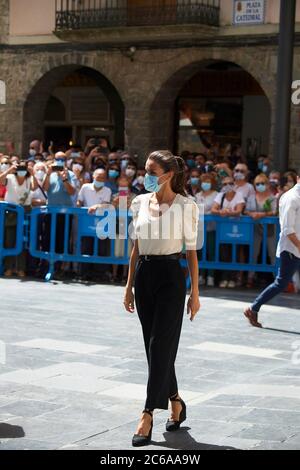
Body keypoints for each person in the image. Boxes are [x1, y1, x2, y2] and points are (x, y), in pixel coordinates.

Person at [123, 150, 200, 447]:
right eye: (145, 171)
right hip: (144, 276)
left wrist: (194, 293)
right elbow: (135, 248)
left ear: (167, 175)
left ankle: (147, 414)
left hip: (171, 275)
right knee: (152, 346)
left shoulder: (187, 206)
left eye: (151, 171)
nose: (146, 177)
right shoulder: (138, 202)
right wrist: (128, 286)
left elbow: (192, 252)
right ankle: (175, 401)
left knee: (160, 344)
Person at [244, 173, 300, 327]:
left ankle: (253, 308)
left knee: (281, 282)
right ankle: (253, 307)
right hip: (291, 248)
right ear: (298, 178)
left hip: (295, 248)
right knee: (281, 283)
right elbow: (288, 229)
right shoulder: (292, 198)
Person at [0, 159, 38, 277]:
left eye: (24, 168)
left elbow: (35, 187)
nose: (21, 170)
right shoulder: (10, 177)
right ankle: (8, 267)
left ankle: (21, 268)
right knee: (9, 240)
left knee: (22, 240)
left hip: (25, 211)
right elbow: (1, 180)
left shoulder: (28, 179)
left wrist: (33, 174)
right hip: (11, 211)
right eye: (19, 168)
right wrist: (10, 169)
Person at [244, 174, 278, 288]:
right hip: (255, 228)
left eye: (262, 183)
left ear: (267, 184)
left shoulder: (272, 198)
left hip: (270, 229)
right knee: (253, 254)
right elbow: (246, 211)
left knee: (272, 253)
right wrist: (251, 214)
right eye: (257, 184)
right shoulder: (251, 197)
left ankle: (278, 279)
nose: (260, 186)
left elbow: (274, 212)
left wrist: (261, 214)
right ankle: (250, 278)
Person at [211, 176, 245, 288]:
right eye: (225, 184)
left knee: (234, 253)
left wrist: (228, 212)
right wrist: (221, 211)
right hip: (223, 230)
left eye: (230, 183)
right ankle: (225, 278)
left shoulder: (239, 195)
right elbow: (213, 209)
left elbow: (239, 210)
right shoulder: (220, 196)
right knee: (224, 253)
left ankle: (233, 278)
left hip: (237, 229)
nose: (227, 186)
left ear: (234, 184)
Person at [195, 173, 219, 287]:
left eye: (208, 182)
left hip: (211, 228)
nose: (206, 184)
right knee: (200, 252)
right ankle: (200, 276)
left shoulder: (216, 195)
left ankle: (210, 276)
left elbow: (215, 208)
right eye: (204, 181)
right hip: (199, 229)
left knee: (211, 252)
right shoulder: (197, 195)